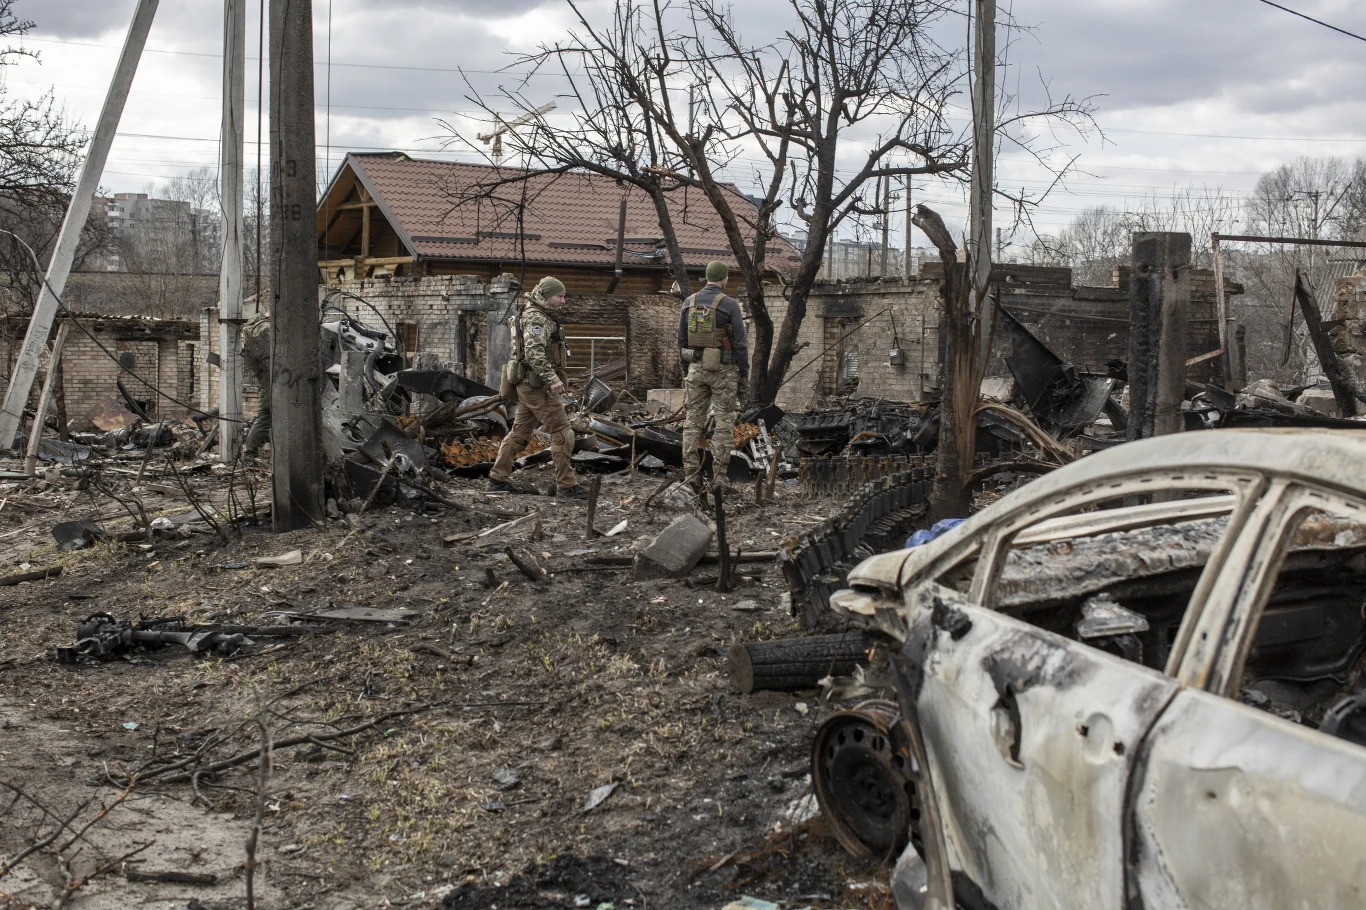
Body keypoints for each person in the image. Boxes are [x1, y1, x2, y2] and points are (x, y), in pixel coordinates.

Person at [487, 277, 588, 498]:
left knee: (519, 433)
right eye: (559, 296)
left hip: (529, 386)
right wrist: (553, 379)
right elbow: (534, 353)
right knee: (562, 432)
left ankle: (497, 479)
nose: (563, 300)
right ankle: (567, 485)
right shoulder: (536, 317)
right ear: (546, 296)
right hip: (537, 386)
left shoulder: (536, 313)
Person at [679, 260, 748, 490]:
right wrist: (743, 374)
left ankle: (691, 475)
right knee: (723, 423)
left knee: (692, 423)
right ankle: (718, 477)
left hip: (695, 369)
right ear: (724, 278)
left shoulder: (688, 303)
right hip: (723, 371)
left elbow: (681, 341)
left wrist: (685, 370)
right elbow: (740, 343)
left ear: (707, 278)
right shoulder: (729, 305)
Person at [240, 310, 271, 458]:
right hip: (273, 382)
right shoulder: (266, 329)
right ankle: (250, 452)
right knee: (265, 417)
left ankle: (251, 451)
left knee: (266, 417)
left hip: (265, 379)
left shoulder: (254, 327)